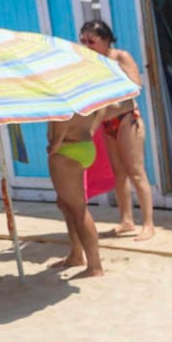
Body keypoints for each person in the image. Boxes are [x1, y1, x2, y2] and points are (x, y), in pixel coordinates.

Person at [77, 20, 155, 241]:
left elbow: (135, 87)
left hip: (127, 119)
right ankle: (126, 219)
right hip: (107, 120)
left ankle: (148, 223)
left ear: (106, 39)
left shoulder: (120, 57)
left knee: (136, 172)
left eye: (91, 41)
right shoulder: (91, 62)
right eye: (83, 41)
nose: (87, 45)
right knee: (118, 174)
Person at [46, 109, 106, 278]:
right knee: (65, 204)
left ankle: (95, 266)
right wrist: (91, 131)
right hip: (82, 145)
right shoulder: (81, 91)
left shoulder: (62, 98)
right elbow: (102, 109)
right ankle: (76, 254)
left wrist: (55, 144)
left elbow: (63, 116)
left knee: (78, 209)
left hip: (68, 149)